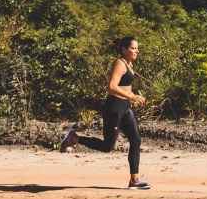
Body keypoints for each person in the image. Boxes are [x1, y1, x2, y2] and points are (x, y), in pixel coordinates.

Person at [60, 36, 153, 190]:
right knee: (107, 146)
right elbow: (111, 86)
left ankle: (134, 180)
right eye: (133, 48)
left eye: (137, 48)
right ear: (124, 50)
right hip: (114, 108)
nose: (137, 51)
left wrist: (131, 97)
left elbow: (124, 86)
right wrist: (131, 96)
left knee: (136, 140)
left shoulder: (129, 65)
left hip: (125, 108)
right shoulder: (120, 63)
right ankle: (74, 138)